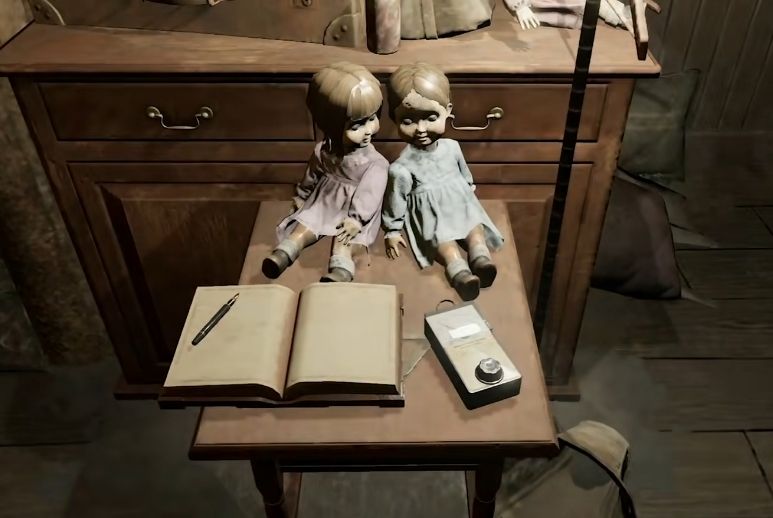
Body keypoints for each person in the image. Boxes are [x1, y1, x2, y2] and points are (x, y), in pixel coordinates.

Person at [382, 62, 504, 301]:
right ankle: (458, 270)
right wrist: (392, 230)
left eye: (430, 118)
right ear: (394, 118)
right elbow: (396, 201)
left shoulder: (452, 147)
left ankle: (480, 257)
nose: (421, 129)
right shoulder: (401, 169)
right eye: (408, 121)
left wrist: (468, 191)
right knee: (442, 239)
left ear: (448, 111)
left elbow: (464, 174)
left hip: (460, 201)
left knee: (474, 228)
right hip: (430, 213)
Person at [262, 62, 389, 282]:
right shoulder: (324, 150)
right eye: (356, 126)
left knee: (344, 240)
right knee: (306, 224)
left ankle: (341, 268)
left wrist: (356, 220)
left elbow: (370, 195)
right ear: (333, 125)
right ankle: (286, 251)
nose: (368, 130)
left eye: (372, 118)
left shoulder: (375, 163)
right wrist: (302, 196)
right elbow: (312, 174)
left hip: (355, 209)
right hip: (325, 200)